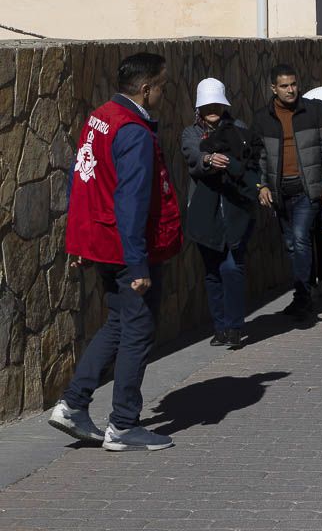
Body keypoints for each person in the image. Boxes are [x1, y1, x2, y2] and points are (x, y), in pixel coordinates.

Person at [52, 52, 181, 452]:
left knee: (118, 323)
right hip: (126, 250)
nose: (162, 92)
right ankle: (123, 424)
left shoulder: (100, 117)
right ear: (146, 89)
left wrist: (79, 242)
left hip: (103, 242)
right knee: (138, 331)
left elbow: (82, 180)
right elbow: (131, 199)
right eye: (161, 86)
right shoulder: (133, 131)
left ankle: (74, 404)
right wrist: (138, 263)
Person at [182, 78, 261, 348]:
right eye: (207, 105)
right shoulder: (191, 133)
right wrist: (208, 159)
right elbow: (193, 156)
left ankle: (236, 325)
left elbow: (248, 160)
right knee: (213, 271)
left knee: (232, 267)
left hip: (235, 208)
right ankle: (220, 326)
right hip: (205, 212)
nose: (212, 109)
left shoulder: (239, 129)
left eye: (216, 103)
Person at [252, 64, 322, 319]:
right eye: (284, 86)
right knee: (292, 245)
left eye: (294, 84)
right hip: (280, 194)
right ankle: (304, 294)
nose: (291, 90)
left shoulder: (314, 111)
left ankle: (302, 296)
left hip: (307, 190)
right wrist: (262, 185)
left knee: (299, 238)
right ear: (273, 88)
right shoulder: (263, 118)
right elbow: (259, 157)